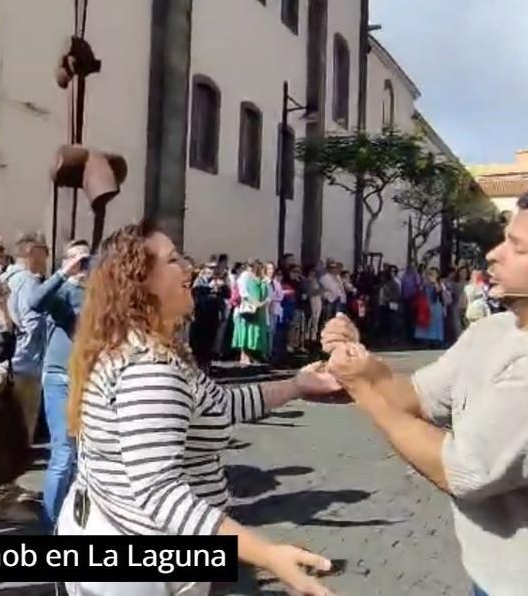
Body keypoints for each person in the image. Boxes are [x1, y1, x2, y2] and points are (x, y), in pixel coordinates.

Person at [321, 187, 528, 595]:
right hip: (499, 573)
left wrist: (361, 387)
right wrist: (361, 360)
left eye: (518, 247)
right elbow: (415, 398)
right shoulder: (496, 328)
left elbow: (462, 471)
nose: (494, 254)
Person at [58, 220, 340, 596]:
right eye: (173, 260)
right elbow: (160, 492)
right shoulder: (150, 368)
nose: (188, 267)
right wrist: (267, 554)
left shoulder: (142, 345)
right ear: (139, 282)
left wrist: (296, 385)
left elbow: (220, 404)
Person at [29, 239, 90, 527]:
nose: (82, 265)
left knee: (83, 458)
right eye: (75, 259)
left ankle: (73, 523)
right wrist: (64, 273)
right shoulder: (61, 292)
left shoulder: (97, 294)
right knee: (63, 454)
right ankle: (50, 524)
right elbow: (35, 302)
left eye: (85, 259)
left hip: (90, 381)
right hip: (60, 379)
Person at [0, 232, 51, 523]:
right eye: (45, 252)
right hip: (25, 368)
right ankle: (3, 501)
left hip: (10, 365)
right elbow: (31, 326)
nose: (47, 259)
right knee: (18, 436)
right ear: (31, 252)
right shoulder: (28, 282)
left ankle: (7, 491)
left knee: (7, 433)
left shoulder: (10, 278)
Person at [232, 261, 269, 365]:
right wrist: (254, 302)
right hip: (247, 308)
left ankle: (253, 354)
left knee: (254, 332)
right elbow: (244, 293)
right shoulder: (245, 277)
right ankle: (244, 355)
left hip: (257, 308)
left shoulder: (260, 279)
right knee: (244, 331)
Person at [413, 267, 447, 349]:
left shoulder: (440, 284)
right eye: (430, 274)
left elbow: (440, 295)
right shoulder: (424, 284)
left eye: (433, 274)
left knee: (435, 324)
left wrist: (435, 284)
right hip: (425, 306)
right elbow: (419, 293)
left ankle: (435, 341)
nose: (431, 276)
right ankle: (425, 340)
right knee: (425, 323)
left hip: (436, 307)